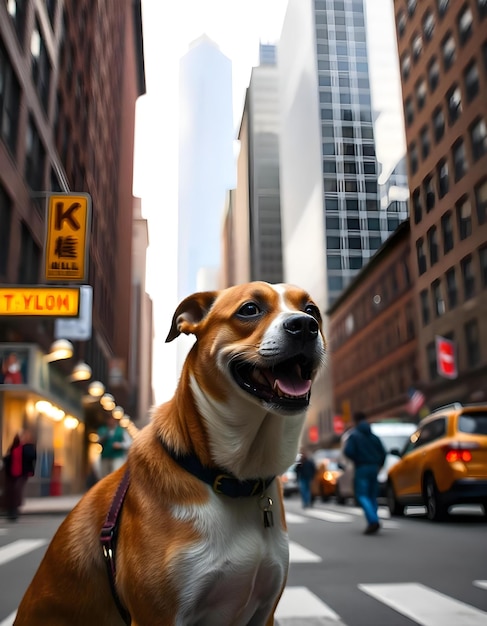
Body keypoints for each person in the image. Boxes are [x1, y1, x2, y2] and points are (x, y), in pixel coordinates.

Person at [344, 411, 386, 535]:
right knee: (372, 496)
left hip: (362, 468)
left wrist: (358, 459)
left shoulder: (354, 435)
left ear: (355, 421)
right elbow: (383, 453)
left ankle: (373, 520)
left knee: (362, 495)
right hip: (374, 468)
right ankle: (373, 519)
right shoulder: (374, 436)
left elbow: (348, 451)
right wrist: (379, 465)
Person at [3, 429, 37, 521]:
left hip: (22, 473)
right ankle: (10, 510)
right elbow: (9, 457)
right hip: (11, 473)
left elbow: (32, 458)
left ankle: (14, 510)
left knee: (17, 490)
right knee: (10, 492)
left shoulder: (28, 447)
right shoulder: (14, 447)